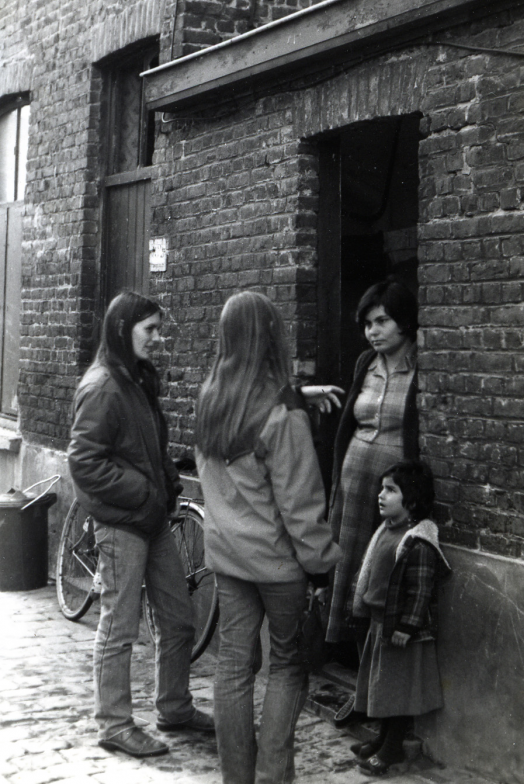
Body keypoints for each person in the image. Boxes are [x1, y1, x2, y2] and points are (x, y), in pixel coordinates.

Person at [194, 290, 342, 784]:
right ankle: (274, 777)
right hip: (280, 568)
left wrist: (299, 392)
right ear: (271, 335)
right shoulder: (282, 415)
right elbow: (301, 507)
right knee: (287, 668)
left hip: (228, 561)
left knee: (234, 668)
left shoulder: (210, 400)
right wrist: (322, 566)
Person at [67, 291, 215, 759]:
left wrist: (168, 483)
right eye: (149, 329)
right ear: (121, 329)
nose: (158, 337)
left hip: (152, 521)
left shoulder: (135, 379)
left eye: (159, 328)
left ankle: (174, 706)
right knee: (120, 625)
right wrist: (144, 493)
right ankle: (113, 723)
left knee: (177, 620)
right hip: (121, 526)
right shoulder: (103, 387)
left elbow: (150, 445)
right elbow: (84, 464)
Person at [326, 276, 419, 647]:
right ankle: (342, 641)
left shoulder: (420, 365)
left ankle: (373, 646)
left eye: (382, 321)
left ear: (405, 322)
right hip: (354, 478)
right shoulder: (366, 363)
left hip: (393, 488)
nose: (373, 332)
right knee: (347, 557)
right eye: (368, 324)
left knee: (382, 560)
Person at [350, 461, 451, 776]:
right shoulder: (387, 530)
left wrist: (407, 627)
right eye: (382, 488)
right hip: (380, 623)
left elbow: (421, 590)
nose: (381, 495)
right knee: (382, 689)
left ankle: (392, 749)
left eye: (391, 490)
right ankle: (382, 739)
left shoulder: (416, 542)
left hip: (398, 630)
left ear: (412, 500)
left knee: (395, 692)